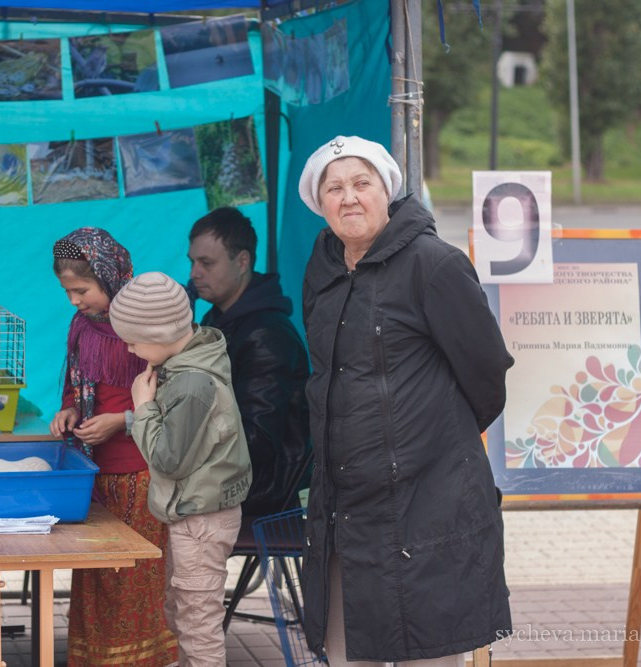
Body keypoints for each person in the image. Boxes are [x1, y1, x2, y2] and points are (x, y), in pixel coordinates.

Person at [297, 135, 514, 666]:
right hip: (348, 509)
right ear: (319, 203)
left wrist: (425, 439)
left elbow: (485, 375)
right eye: (335, 188)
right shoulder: (321, 272)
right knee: (352, 653)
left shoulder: (433, 264)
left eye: (361, 184)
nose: (349, 198)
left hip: (429, 503)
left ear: (387, 192)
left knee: (430, 651)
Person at [109, 271, 252, 667]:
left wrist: (142, 409)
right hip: (196, 513)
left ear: (159, 333)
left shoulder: (191, 385)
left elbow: (169, 460)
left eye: (133, 341)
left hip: (202, 519)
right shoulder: (195, 355)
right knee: (182, 611)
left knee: (198, 623)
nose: (130, 350)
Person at [48, 228, 177, 666]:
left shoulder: (146, 325)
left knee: (132, 582)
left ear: (108, 276)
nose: (73, 300)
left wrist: (120, 423)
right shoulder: (81, 326)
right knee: (95, 580)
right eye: (67, 291)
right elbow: (76, 384)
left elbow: (171, 402)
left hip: (141, 476)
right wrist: (69, 411)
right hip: (94, 473)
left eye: (81, 290)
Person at [188, 207, 310, 517]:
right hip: (233, 480)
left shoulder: (267, 335)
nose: (194, 273)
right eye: (193, 262)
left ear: (242, 261)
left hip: (266, 491)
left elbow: (256, 440)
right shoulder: (216, 319)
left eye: (206, 263)